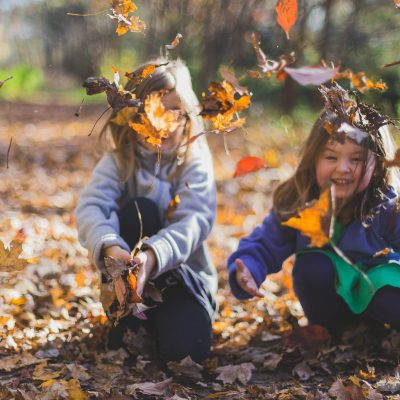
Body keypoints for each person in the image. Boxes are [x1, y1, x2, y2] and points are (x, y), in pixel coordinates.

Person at [75, 59, 217, 362]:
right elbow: (90, 207)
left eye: (173, 111)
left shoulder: (194, 162)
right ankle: (127, 317)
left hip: (182, 283)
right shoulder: (119, 162)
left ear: (187, 115)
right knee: (140, 209)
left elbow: (195, 221)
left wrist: (151, 258)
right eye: (151, 110)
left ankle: (173, 323)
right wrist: (111, 247)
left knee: (186, 354)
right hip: (126, 284)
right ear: (132, 116)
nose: (161, 122)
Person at [228, 84, 400, 334]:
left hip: (379, 303)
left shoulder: (387, 208)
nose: (343, 168)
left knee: (382, 285)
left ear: (379, 165)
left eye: (356, 160)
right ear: (314, 158)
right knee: (314, 265)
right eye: (331, 157)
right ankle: (326, 330)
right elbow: (264, 243)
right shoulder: (300, 202)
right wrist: (248, 270)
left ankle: (383, 333)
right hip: (330, 307)